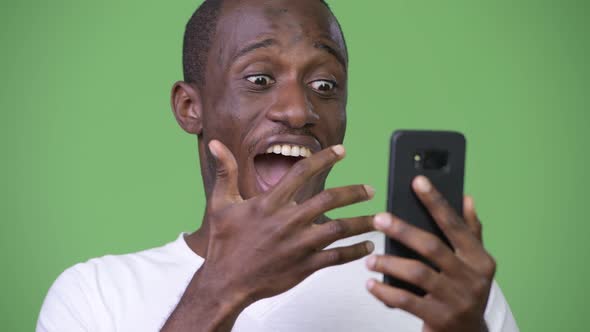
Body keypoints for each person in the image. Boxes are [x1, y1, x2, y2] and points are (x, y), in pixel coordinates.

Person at [37, 0, 519, 331]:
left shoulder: (438, 287)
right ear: (190, 107)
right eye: (260, 78)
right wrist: (219, 290)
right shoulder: (95, 295)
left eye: (325, 85)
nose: (298, 110)